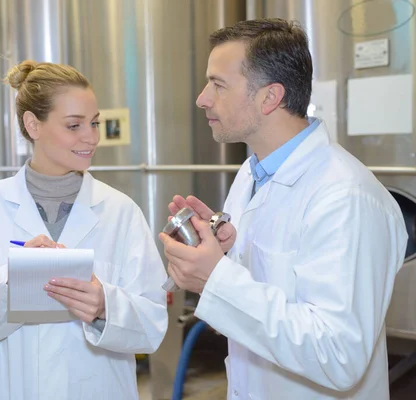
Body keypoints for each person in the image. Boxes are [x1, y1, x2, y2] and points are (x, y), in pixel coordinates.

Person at [160, 18, 408, 400]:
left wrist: (217, 278)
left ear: (269, 97)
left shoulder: (345, 197)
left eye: (218, 84)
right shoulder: (251, 174)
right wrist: (226, 253)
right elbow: (271, 295)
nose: (202, 98)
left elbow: (339, 355)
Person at [0, 60, 168, 399]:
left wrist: (104, 306)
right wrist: (7, 282)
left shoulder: (120, 211)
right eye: (74, 125)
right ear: (33, 125)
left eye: (95, 123)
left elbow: (153, 324)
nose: (91, 137)